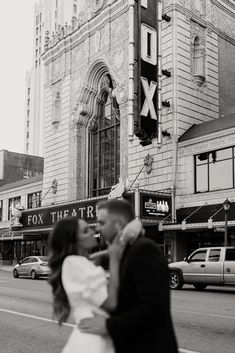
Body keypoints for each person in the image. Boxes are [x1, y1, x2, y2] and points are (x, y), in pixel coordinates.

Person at [79, 199, 178, 353]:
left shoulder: (144, 250)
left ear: (119, 224)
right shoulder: (124, 251)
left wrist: (108, 325)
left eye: (102, 223)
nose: (97, 227)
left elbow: (154, 308)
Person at [48, 216, 141, 353]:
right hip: (93, 343)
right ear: (73, 242)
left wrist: (108, 254)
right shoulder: (73, 263)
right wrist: (114, 259)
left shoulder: (80, 263)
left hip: (99, 337)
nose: (92, 232)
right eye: (85, 231)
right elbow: (111, 303)